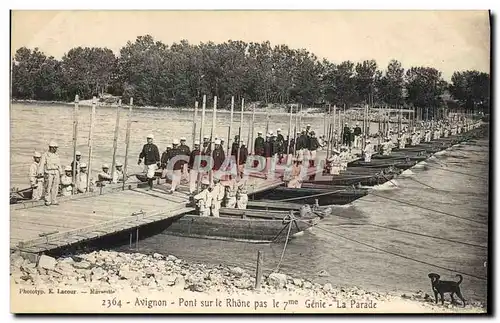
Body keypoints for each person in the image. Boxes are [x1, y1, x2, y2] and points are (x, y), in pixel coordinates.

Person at [38, 140, 62, 206]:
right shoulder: (45, 155)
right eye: (54, 147)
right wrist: (40, 172)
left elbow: (59, 164)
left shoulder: (57, 155)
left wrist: (61, 172)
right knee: (48, 186)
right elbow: (42, 164)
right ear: (50, 147)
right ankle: (48, 200)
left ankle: (54, 200)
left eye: (56, 148)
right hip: (49, 172)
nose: (55, 149)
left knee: (55, 186)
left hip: (56, 172)